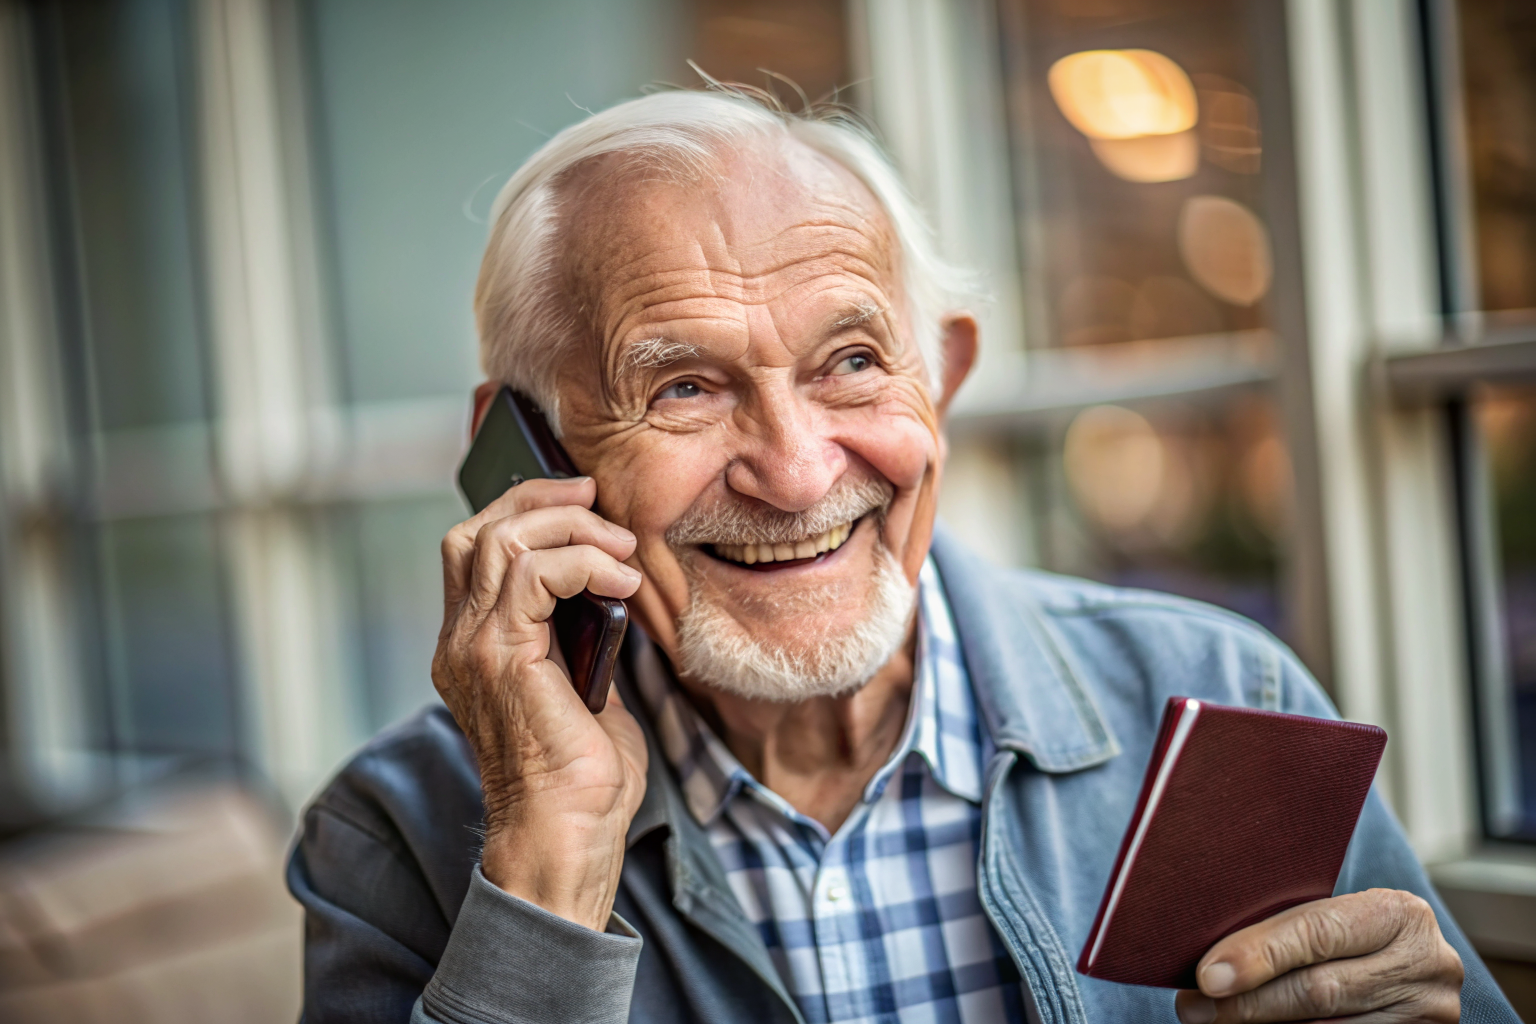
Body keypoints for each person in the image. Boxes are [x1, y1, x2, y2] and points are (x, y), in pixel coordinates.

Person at [288, 89, 1516, 1024]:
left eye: (855, 363)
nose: (800, 471)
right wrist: (545, 869)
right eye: (684, 387)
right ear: (525, 457)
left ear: (951, 380)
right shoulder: (393, 833)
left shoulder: (1216, 696)